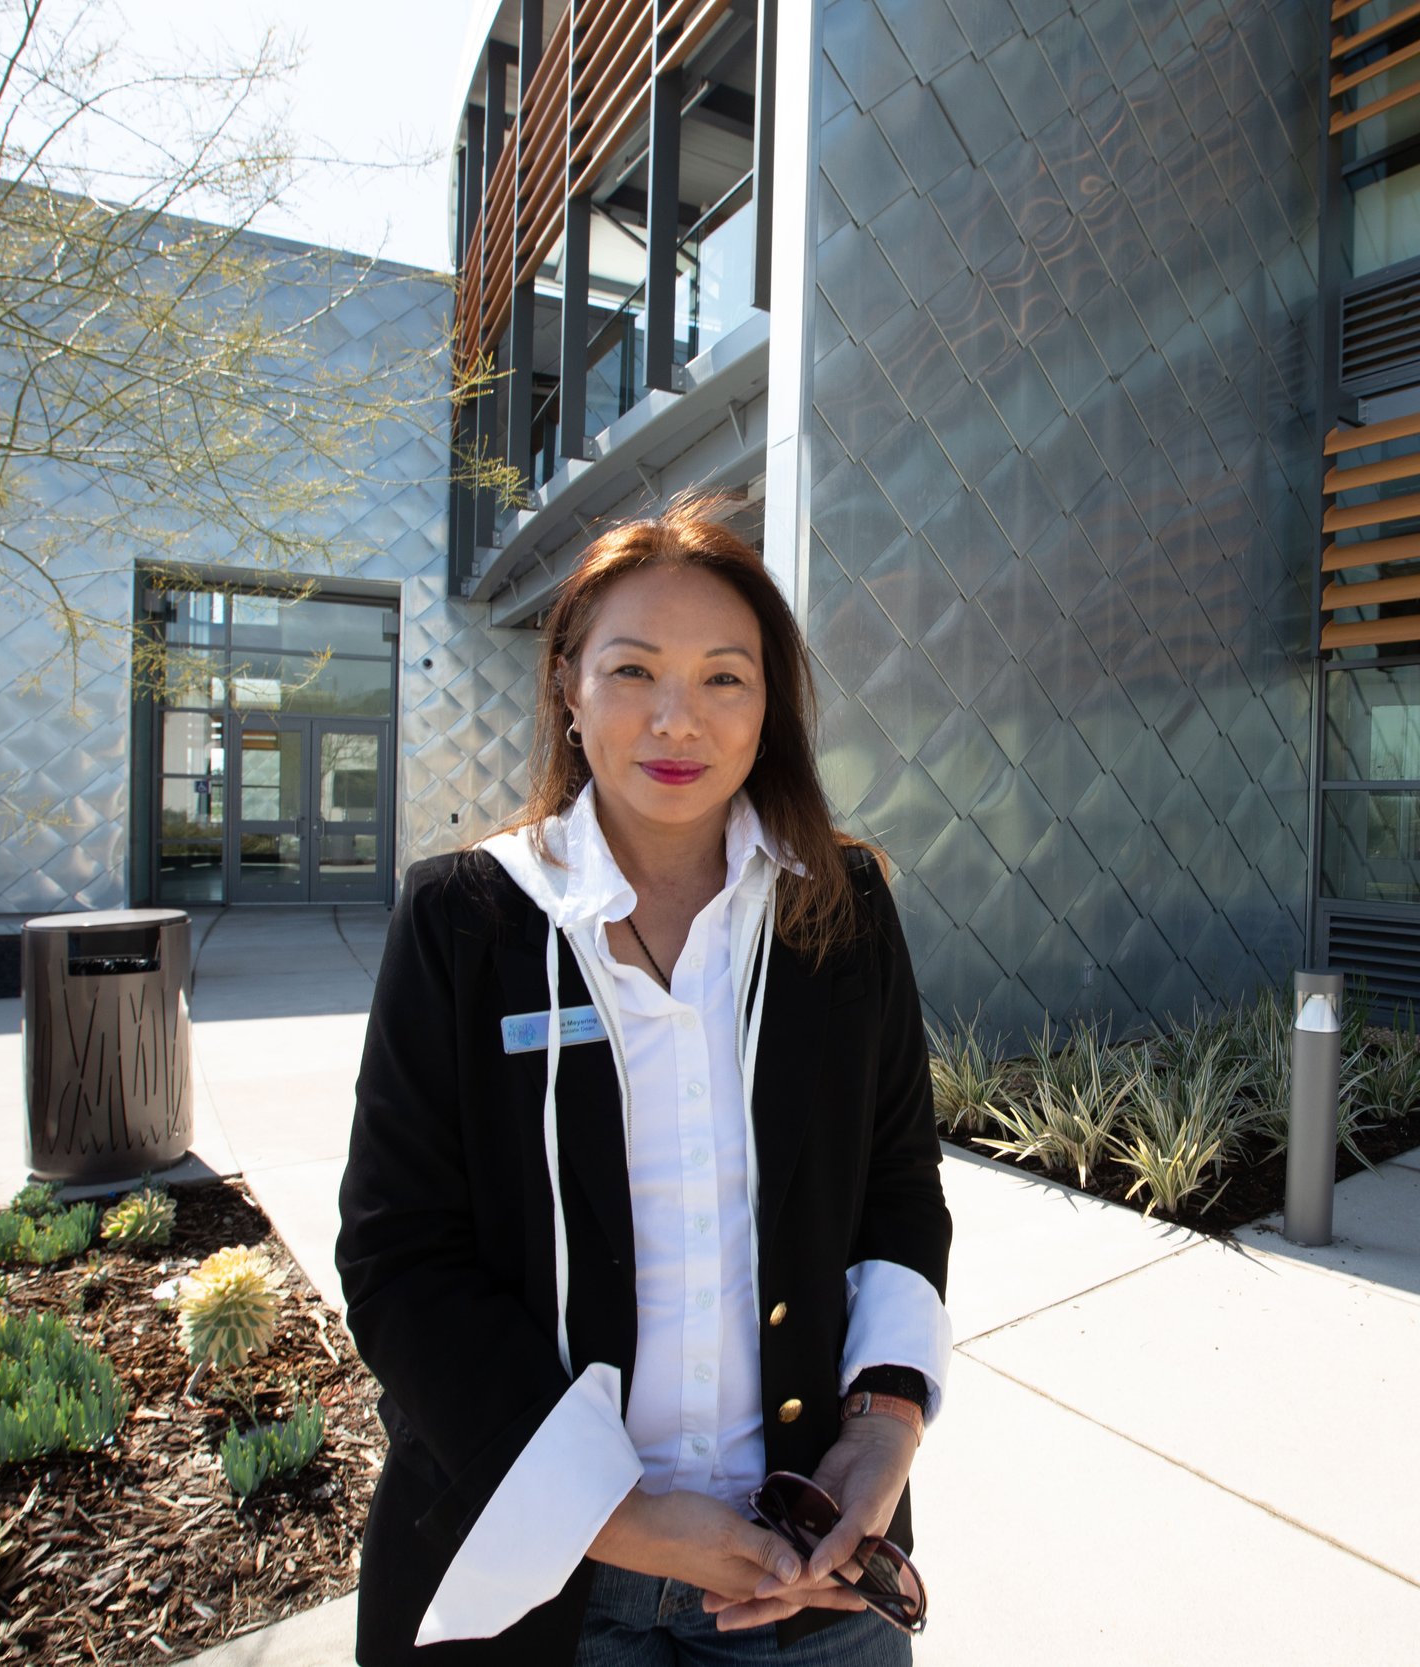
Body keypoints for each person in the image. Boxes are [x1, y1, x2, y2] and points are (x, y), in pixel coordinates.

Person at [337, 498, 952, 1665]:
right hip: (543, 1583)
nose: (678, 718)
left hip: (803, 1572)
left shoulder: (843, 910)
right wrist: (620, 1517)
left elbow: (896, 1188)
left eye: (726, 677)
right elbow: (400, 1255)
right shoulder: (465, 920)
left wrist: (883, 1428)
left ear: (769, 707)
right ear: (567, 685)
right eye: (632, 669)